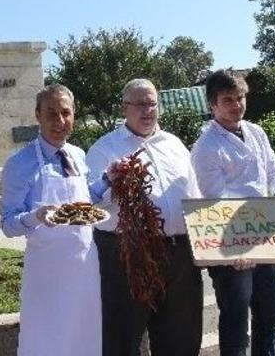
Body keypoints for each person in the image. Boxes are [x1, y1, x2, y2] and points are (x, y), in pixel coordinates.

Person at [86, 78, 204, 356]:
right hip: (126, 256)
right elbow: (89, 203)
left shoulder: (175, 145)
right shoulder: (103, 150)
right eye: (140, 104)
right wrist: (109, 178)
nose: (147, 110)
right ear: (124, 108)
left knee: (181, 339)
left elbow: (196, 198)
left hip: (179, 257)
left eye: (152, 103)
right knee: (121, 339)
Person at [0, 84, 107, 356]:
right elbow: (8, 223)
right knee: (46, 340)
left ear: (74, 115)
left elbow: (84, 202)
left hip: (85, 265)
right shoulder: (19, 164)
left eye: (66, 113)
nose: (59, 122)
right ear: (37, 115)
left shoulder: (78, 155)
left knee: (86, 335)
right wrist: (35, 217)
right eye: (51, 114)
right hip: (47, 271)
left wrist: (108, 181)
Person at [190, 69, 275, 356]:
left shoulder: (256, 132)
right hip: (230, 244)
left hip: (264, 234)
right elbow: (214, 201)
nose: (237, 105)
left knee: (270, 315)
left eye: (240, 97)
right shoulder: (206, 147)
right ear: (213, 105)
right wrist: (236, 247)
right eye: (228, 100)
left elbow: (273, 173)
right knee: (235, 319)